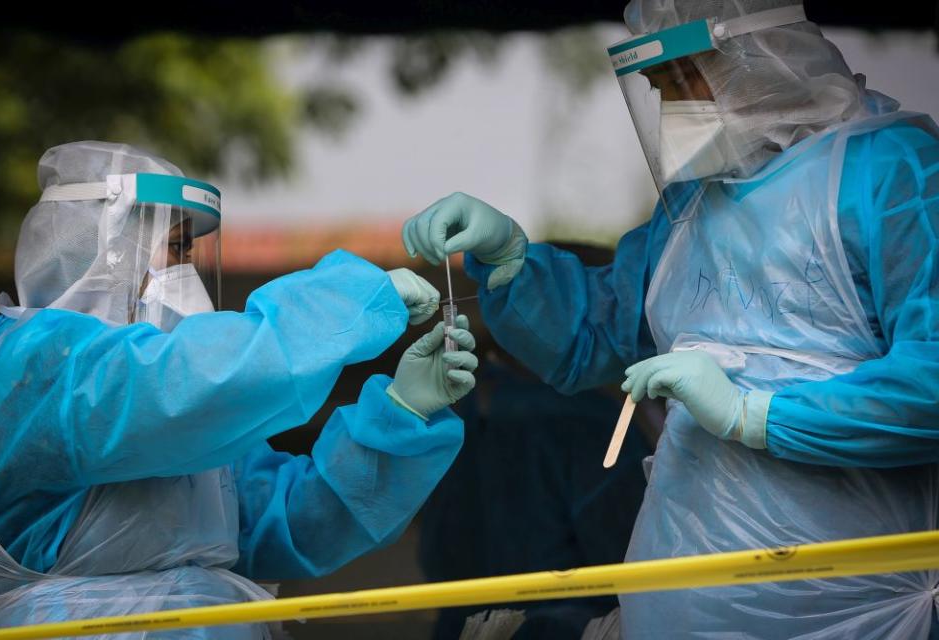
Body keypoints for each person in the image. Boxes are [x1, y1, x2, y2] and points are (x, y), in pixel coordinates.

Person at [401, 0, 939, 637]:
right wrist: (509, 259)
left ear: (757, 57)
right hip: (678, 598)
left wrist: (756, 416)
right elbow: (596, 333)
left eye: (683, 81)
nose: (673, 112)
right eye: (658, 90)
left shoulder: (892, 175)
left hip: (847, 610)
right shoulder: (694, 204)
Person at [0, 140, 478, 638]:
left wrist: (401, 413)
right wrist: (352, 302)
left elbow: (288, 523)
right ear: (111, 254)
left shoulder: (191, 429)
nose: (187, 275)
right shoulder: (37, 365)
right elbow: (181, 387)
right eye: (177, 250)